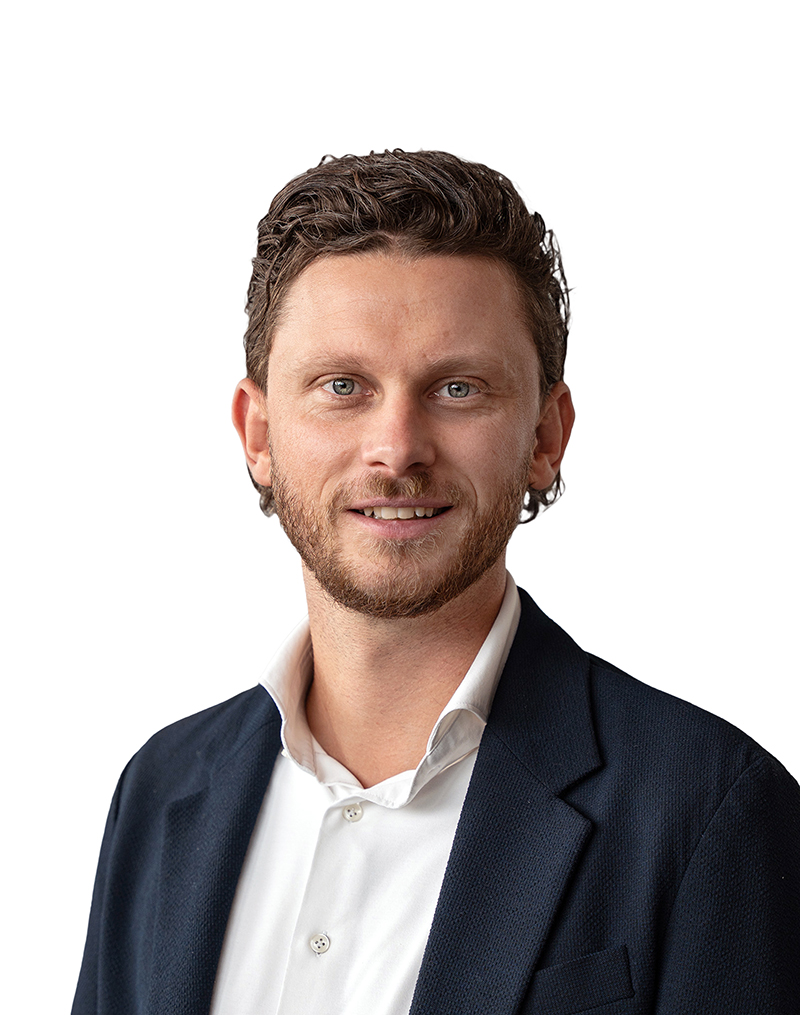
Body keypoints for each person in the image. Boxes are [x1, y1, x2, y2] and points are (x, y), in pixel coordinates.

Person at [72, 150, 800, 1015]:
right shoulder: (159, 792)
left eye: (458, 388)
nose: (398, 446)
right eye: (342, 386)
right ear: (258, 433)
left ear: (545, 435)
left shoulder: (710, 813)